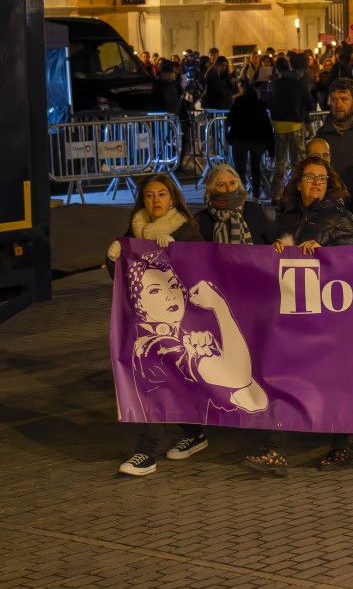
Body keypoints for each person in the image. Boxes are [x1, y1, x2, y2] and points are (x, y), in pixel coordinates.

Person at [245, 157, 353, 474]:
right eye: (309, 177)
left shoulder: (340, 217)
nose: (315, 183)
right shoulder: (288, 216)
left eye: (321, 179)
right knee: (278, 378)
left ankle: (340, 448)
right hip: (291, 316)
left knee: (332, 383)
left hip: (329, 318)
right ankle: (274, 448)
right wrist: (276, 250)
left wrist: (327, 255)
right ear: (298, 183)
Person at [105, 174, 206, 476]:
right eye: (150, 195)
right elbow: (123, 280)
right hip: (147, 323)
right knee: (162, 381)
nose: (156, 200)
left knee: (160, 381)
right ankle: (194, 433)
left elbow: (202, 273)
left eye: (162, 194)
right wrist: (112, 258)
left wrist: (180, 252)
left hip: (181, 324)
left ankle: (146, 451)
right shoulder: (136, 230)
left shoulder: (186, 230)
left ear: (172, 198)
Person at [269, 56, 316, 201]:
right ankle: (298, 191)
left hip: (278, 126)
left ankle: (276, 194)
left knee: (280, 162)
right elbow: (310, 104)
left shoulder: (274, 84)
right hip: (295, 125)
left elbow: (270, 102)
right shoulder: (298, 84)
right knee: (298, 162)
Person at [194, 165, 274, 245]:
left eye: (232, 183)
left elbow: (273, 240)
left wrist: (277, 244)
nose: (229, 189)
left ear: (238, 185)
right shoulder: (199, 221)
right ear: (211, 190)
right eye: (221, 185)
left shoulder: (255, 211)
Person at [225, 83, 274, 200]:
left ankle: (240, 193)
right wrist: (271, 150)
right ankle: (256, 192)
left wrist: (229, 137)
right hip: (256, 140)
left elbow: (230, 120)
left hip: (239, 139)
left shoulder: (238, 104)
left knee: (240, 168)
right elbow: (267, 128)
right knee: (255, 167)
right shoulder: (260, 107)